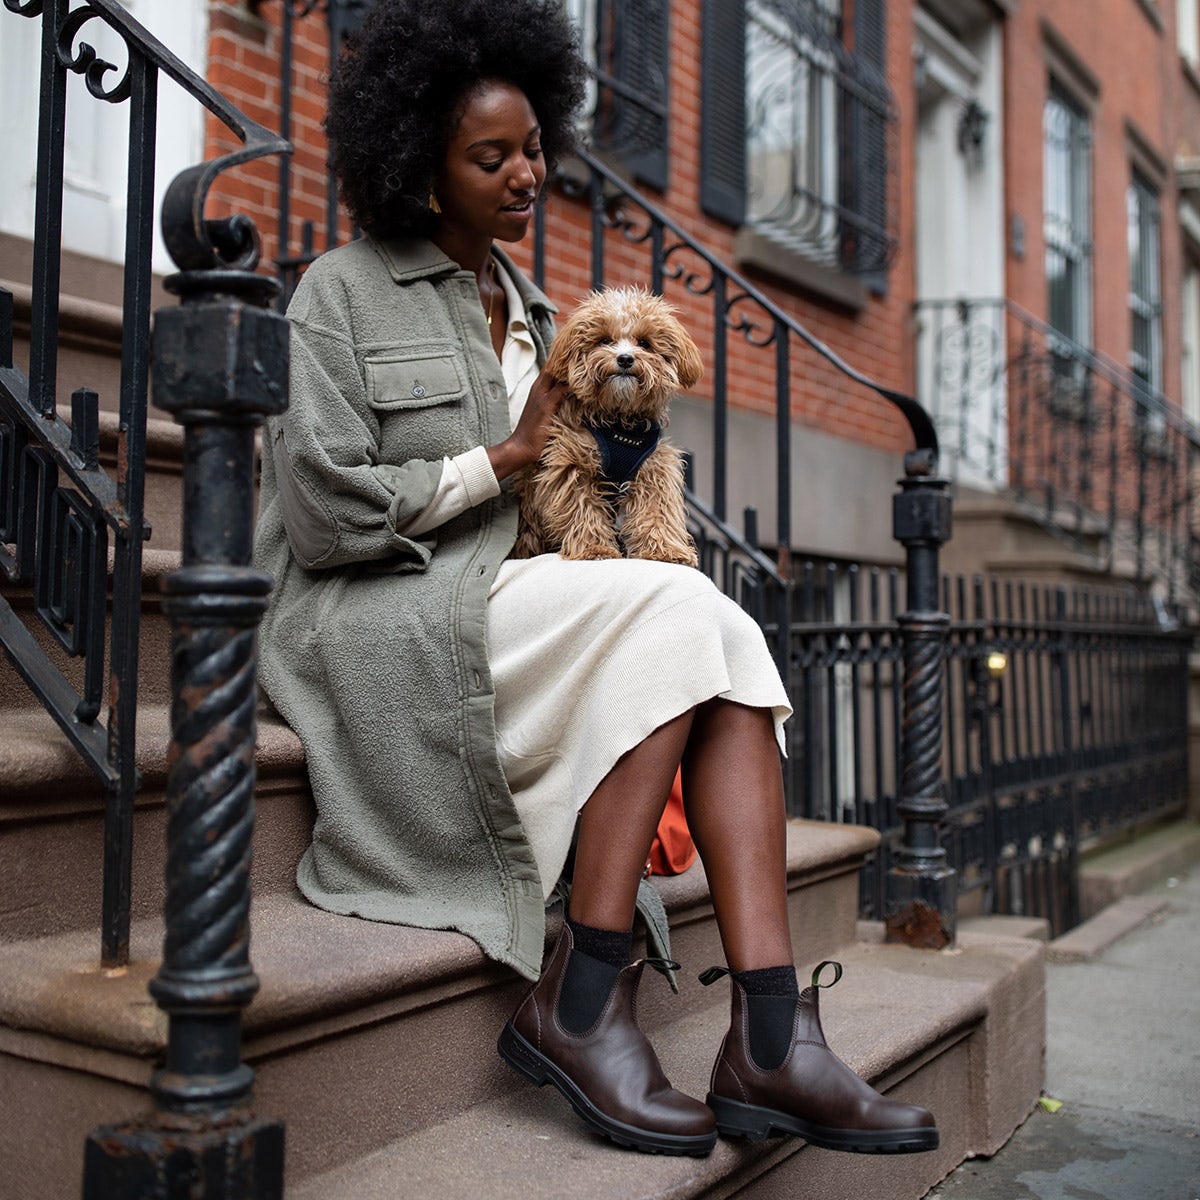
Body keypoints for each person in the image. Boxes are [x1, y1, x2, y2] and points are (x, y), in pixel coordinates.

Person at [253, 0, 938, 1160]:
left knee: (705, 628)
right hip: (377, 608)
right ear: (420, 164)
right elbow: (324, 517)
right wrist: (504, 457)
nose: (529, 174)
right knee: (677, 608)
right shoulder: (340, 294)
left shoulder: (530, 306)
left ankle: (767, 1032)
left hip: (516, 597)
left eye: (532, 148)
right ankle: (586, 998)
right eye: (492, 157)